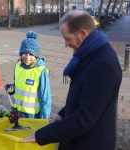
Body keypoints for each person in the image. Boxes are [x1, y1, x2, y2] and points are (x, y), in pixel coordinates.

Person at [20, 10, 122, 150]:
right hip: (77, 139)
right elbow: (82, 96)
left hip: (89, 143)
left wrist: (42, 135)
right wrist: (62, 114)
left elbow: (85, 118)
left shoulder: (102, 65)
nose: (66, 44)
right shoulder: (90, 52)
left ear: (82, 34)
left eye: (68, 39)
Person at [5, 31, 52, 119]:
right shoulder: (18, 67)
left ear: (36, 56)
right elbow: (19, 86)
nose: (27, 57)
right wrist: (12, 89)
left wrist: (44, 119)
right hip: (18, 113)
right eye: (25, 53)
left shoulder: (41, 71)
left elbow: (45, 99)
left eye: (31, 54)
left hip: (33, 116)